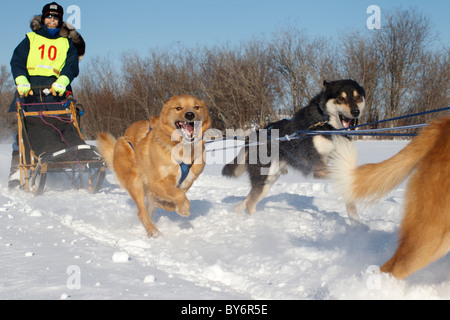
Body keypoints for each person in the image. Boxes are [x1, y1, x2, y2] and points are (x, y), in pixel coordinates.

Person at [8, 2, 85, 188]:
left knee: (59, 126)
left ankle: (58, 165)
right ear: (43, 19)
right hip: (30, 91)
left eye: (56, 17)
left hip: (55, 92)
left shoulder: (66, 42)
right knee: (24, 129)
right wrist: (21, 80)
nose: (52, 20)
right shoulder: (31, 38)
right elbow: (17, 61)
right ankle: (17, 171)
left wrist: (63, 80)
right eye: (49, 16)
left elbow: (72, 65)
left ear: (60, 21)